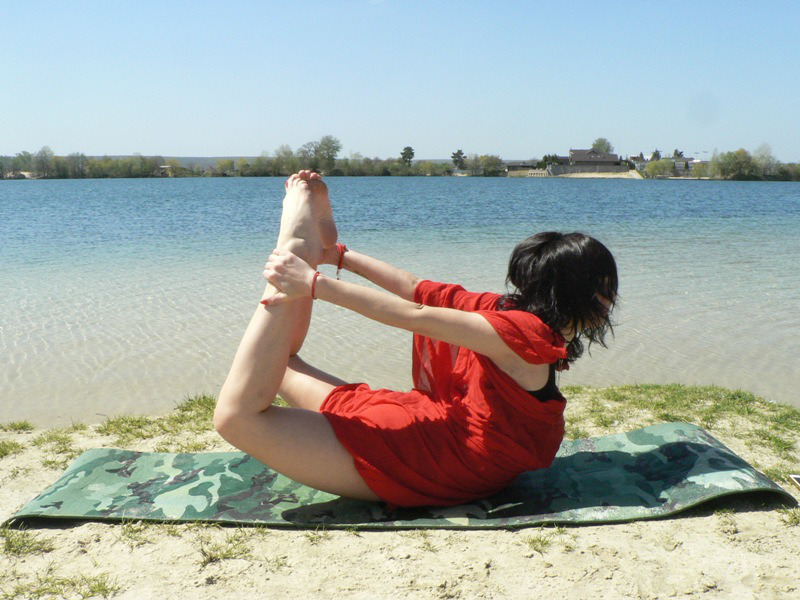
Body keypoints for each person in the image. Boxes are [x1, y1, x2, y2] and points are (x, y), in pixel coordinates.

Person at [214, 171, 618, 507]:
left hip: (442, 445)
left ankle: (297, 245)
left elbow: (413, 292)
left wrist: (321, 272)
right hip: (442, 462)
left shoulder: (508, 317)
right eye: (601, 287)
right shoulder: (521, 330)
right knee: (240, 411)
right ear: (572, 292)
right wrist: (327, 267)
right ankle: (298, 250)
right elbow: (414, 305)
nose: (609, 298)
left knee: (270, 377)